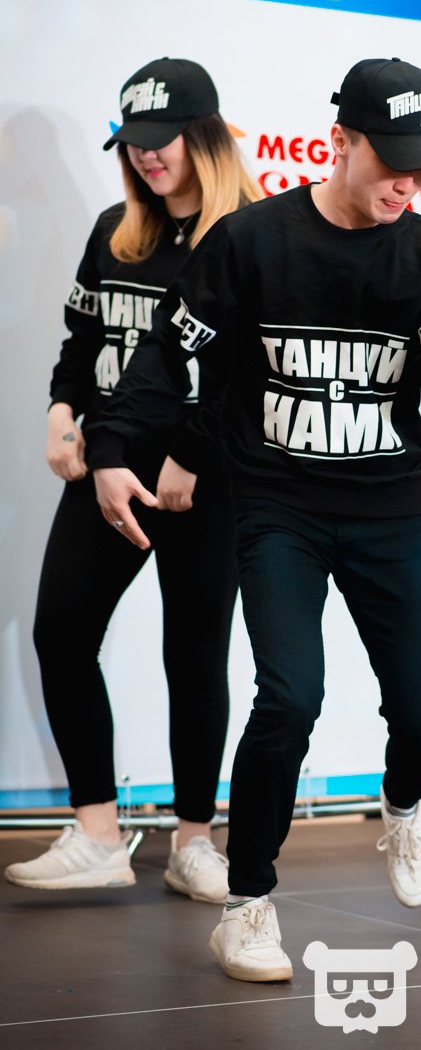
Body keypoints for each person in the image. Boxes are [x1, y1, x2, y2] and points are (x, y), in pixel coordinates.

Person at [88, 56, 421, 981]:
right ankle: (247, 903)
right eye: (391, 161)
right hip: (278, 507)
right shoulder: (251, 241)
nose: (406, 183)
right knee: (289, 697)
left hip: (389, 510)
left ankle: (402, 805)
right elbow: (170, 354)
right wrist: (111, 448)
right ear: (340, 144)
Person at [5, 58, 261, 902]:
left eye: (164, 140)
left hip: (205, 476)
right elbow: (83, 342)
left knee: (195, 653)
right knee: (60, 632)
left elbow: (250, 374)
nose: (147, 156)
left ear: (206, 138)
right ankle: (97, 833)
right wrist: (61, 409)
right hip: (106, 468)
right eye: (134, 142)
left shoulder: (250, 235)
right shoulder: (116, 230)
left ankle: (194, 840)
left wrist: (191, 454)